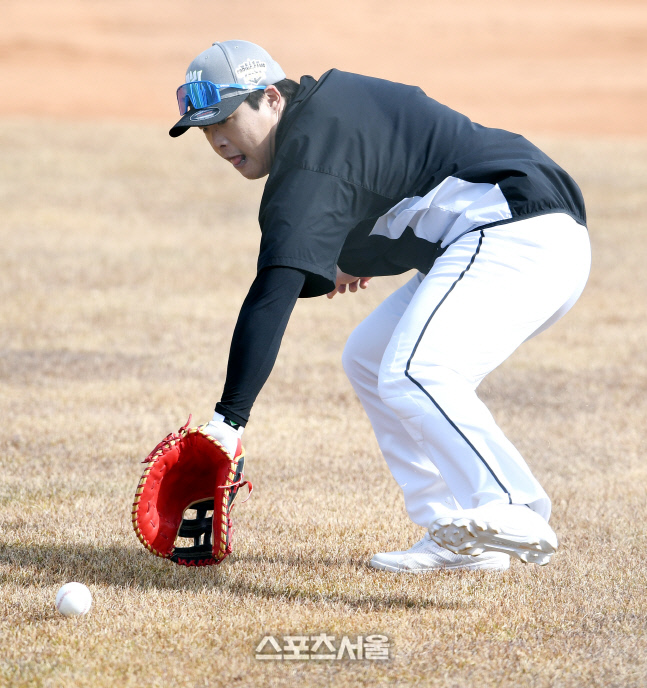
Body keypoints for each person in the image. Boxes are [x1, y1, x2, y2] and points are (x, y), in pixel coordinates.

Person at [169, 40, 590, 572]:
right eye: (205, 130)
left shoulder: (311, 150)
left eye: (225, 119)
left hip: (519, 234)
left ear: (271, 98)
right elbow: (405, 196)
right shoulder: (324, 120)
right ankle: (454, 532)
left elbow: (273, 291)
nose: (217, 140)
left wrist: (227, 421)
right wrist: (346, 260)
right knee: (370, 356)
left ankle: (514, 505)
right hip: (508, 240)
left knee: (416, 369)